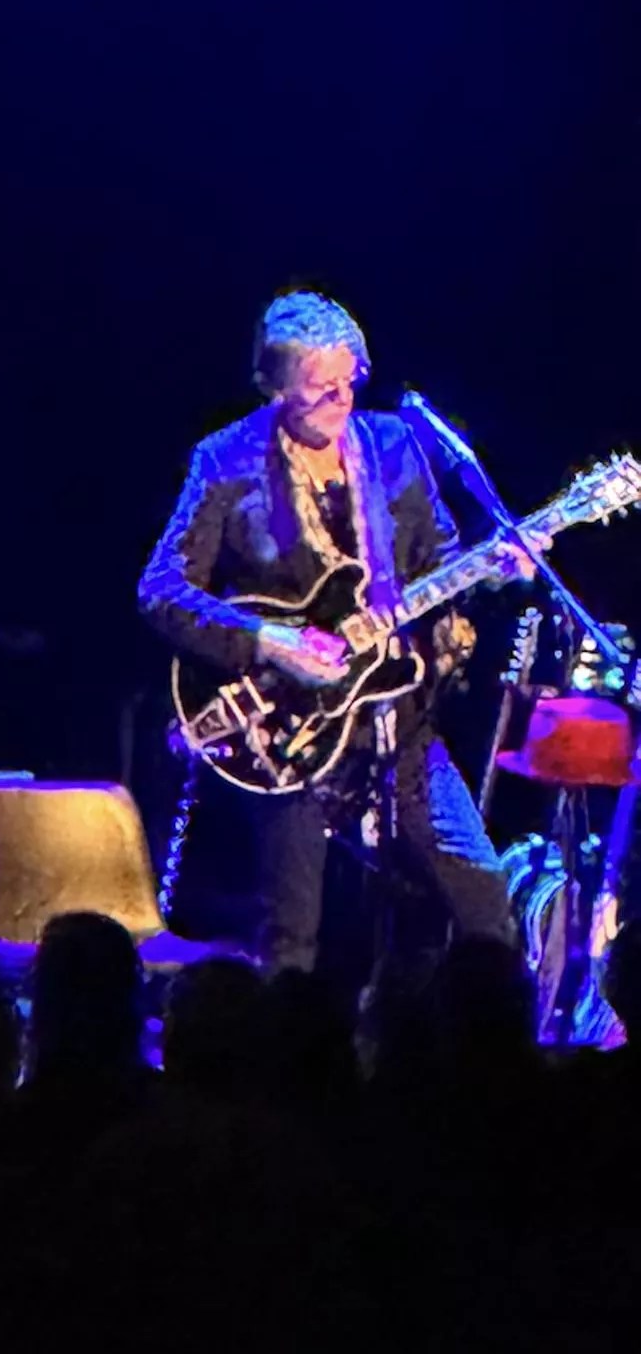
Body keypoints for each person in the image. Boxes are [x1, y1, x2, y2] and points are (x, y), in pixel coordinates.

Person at [139, 291, 519, 972]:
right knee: (291, 938)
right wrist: (266, 639)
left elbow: (438, 561)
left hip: (394, 718)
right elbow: (161, 590)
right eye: (320, 392)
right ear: (274, 389)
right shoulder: (225, 459)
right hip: (289, 735)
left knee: (483, 895)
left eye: (351, 381)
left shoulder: (393, 444)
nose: (341, 401)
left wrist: (494, 569)